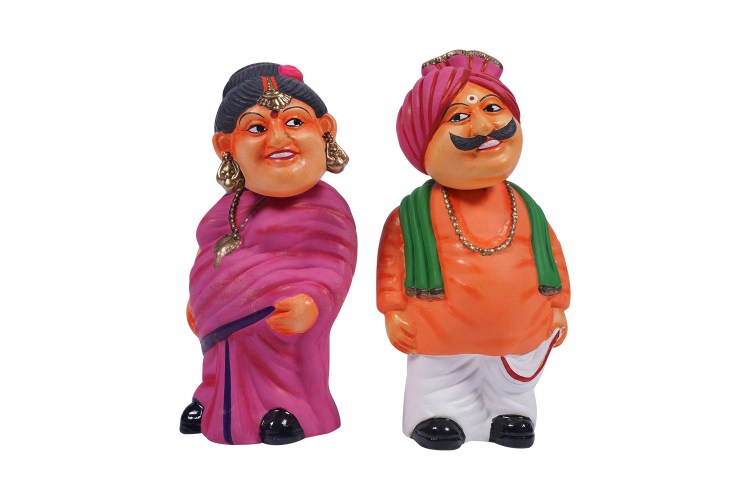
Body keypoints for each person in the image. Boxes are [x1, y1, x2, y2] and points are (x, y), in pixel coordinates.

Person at [377, 50, 570, 450]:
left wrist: (558, 305)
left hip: (517, 327)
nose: (484, 126)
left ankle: (509, 413)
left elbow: (550, 256)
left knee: (509, 381)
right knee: (438, 376)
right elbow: (392, 264)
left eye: (493, 108)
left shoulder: (526, 208)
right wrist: (393, 311)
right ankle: (437, 415)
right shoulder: (412, 214)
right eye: (459, 116)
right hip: (439, 328)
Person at [180, 62, 357, 445]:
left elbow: (336, 264)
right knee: (221, 358)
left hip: (283, 323)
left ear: (325, 130)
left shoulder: (325, 206)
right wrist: (197, 300)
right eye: (257, 129)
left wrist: (314, 301)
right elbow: (207, 250)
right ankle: (211, 398)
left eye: (294, 122)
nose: (278, 138)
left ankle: (288, 407)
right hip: (219, 319)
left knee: (281, 364)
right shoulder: (228, 206)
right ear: (226, 146)